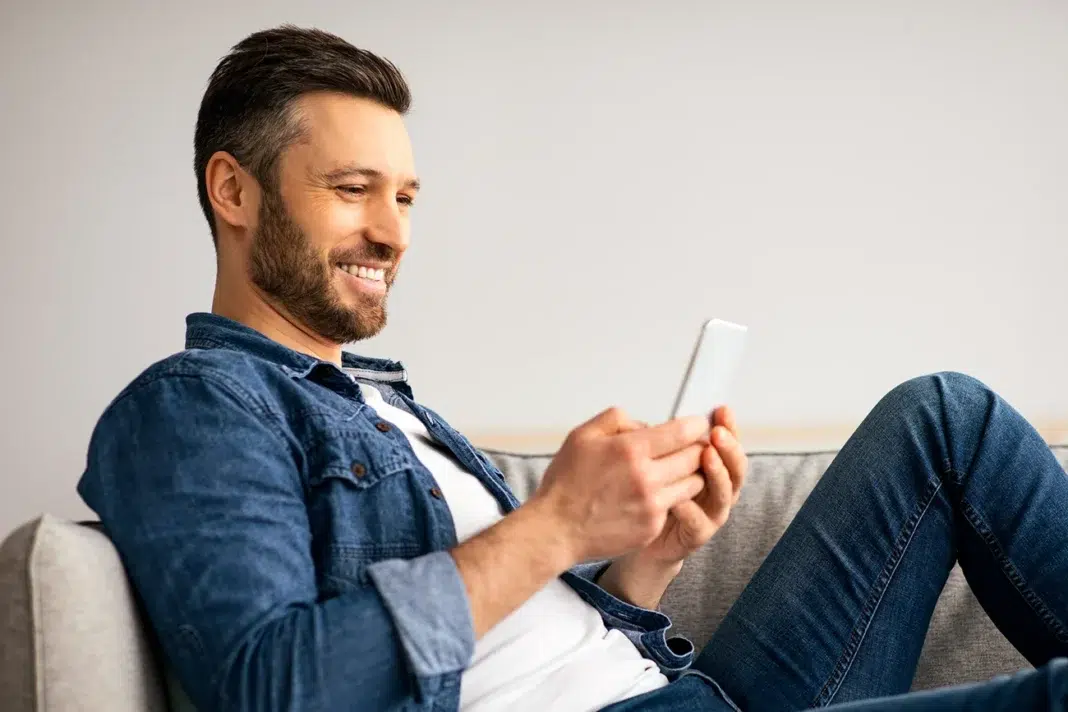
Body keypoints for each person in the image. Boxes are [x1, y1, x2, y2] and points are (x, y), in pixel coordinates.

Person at [77, 25, 1068, 712]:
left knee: (948, 419)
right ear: (233, 190)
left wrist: (648, 554)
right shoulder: (195, 408)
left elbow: (526, 656)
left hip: (684, 690)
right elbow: (274, 687)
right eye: (352, 189)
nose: (392, 231)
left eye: (408, 198)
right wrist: (554, 523)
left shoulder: (389, 408)